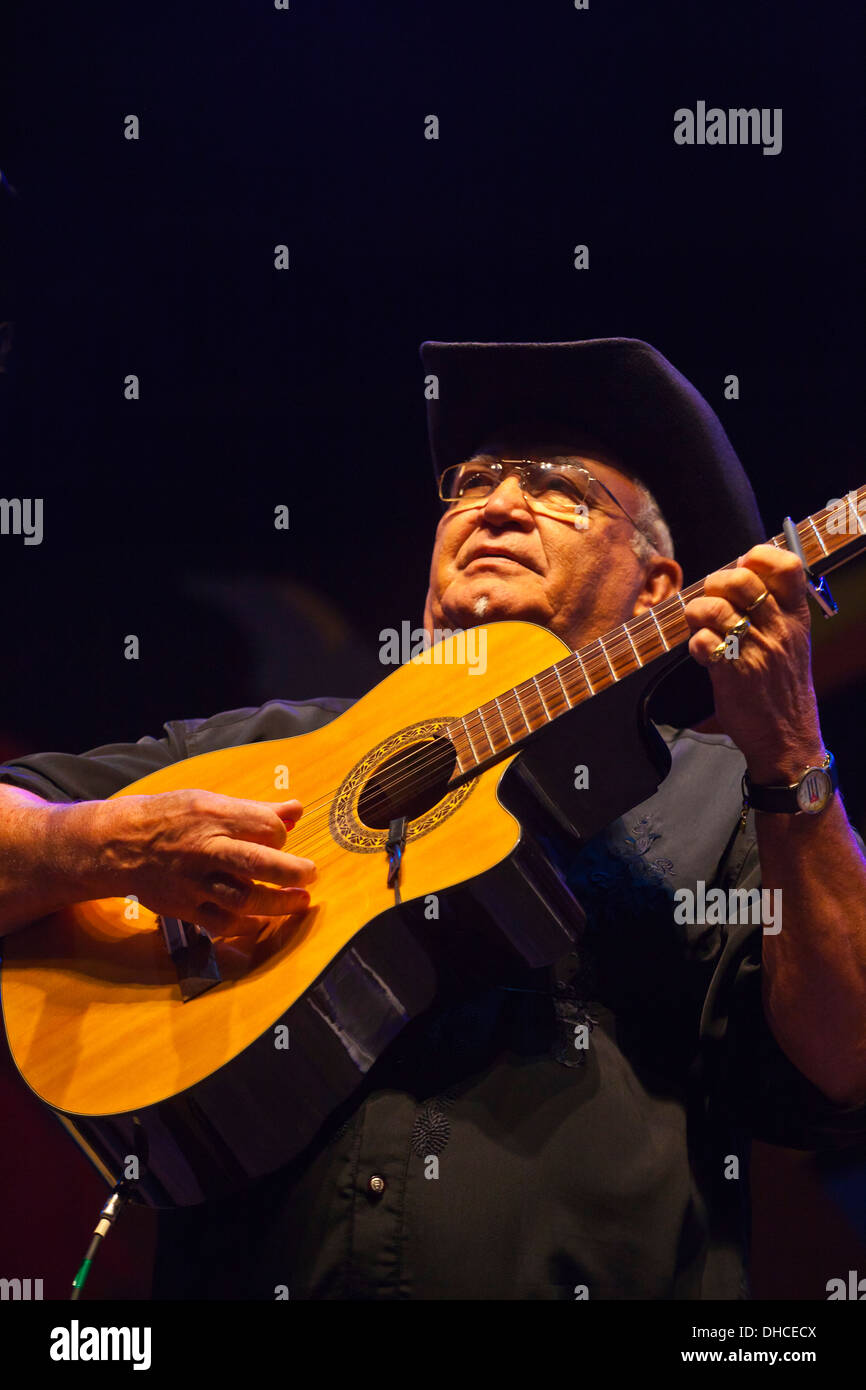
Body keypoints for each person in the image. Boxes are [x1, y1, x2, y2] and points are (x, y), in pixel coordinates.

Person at [1, 337, 864, 1301]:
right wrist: (115, 844)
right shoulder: (258, 745)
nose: (496, 504)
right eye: (474, 481)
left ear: (659, 587)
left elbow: (849, 1060)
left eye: (561, 490)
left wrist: (791, 762)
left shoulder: (726, 798)